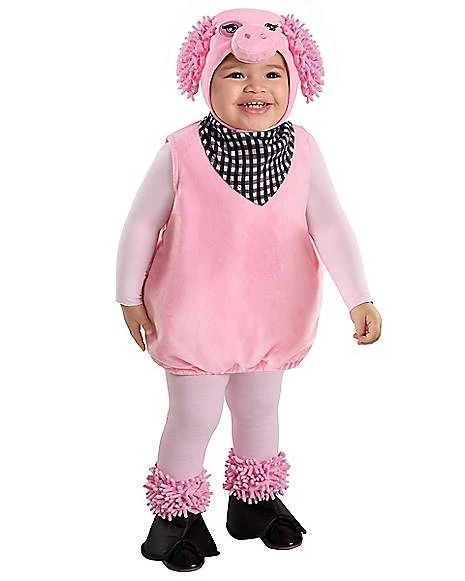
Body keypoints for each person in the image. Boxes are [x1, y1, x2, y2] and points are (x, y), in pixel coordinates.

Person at [115, 7, 382, 573]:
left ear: (295, 81)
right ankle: (175, 517)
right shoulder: (182, 150)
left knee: (261, 409)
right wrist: (128, 295)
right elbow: (141, 223)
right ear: (206, 80)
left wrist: (358, 295)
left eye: (272, 74)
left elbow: (329, 223)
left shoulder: (303, 149)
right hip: (195, 315)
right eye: (236, 73)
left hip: (272, 313)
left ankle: (254, 502)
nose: (256, 87)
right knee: (195, 415)